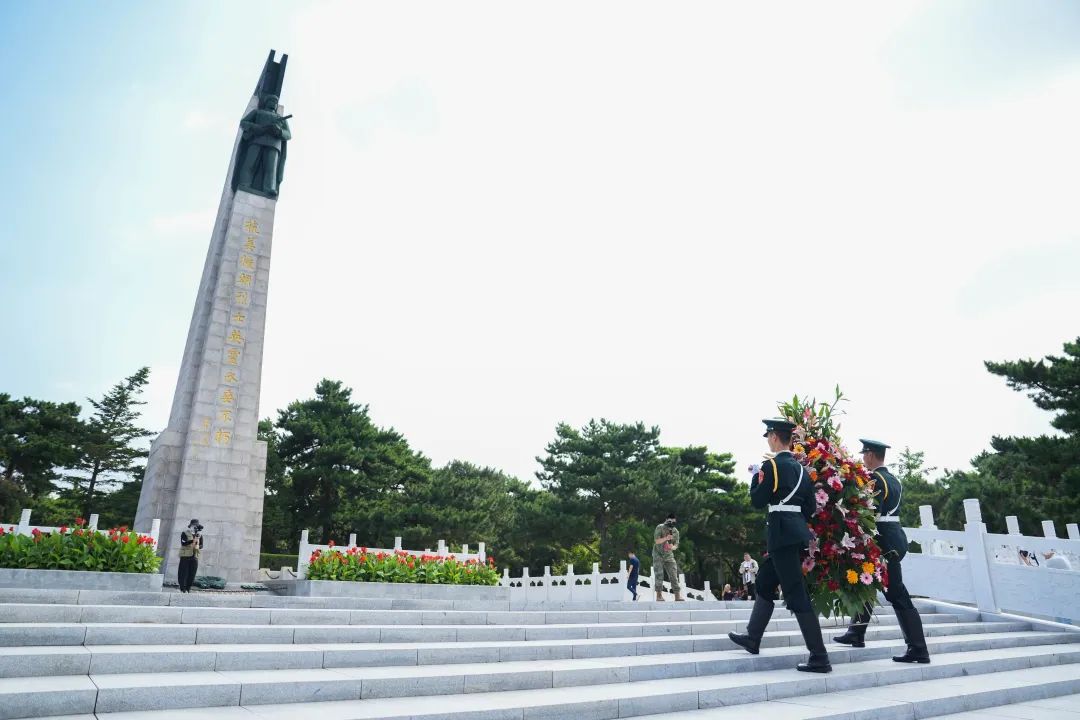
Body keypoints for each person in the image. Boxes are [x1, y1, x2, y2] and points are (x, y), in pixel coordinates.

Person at [728, 418, 831, 673]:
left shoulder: (771, 466)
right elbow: (809, 507)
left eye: (768, 436)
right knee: (763, 583)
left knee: (796, 595)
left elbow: (757, 500)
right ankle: (753, 638)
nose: (768, 441)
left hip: (781, 534)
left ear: (775, 437)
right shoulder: (801, 471)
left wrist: (755, 479)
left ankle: (819, 656)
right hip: (793, 534)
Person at [833, 439, 930, 664]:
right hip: (894, 534)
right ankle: (856, 632)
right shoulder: (894, 479)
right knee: (867, 583)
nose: (863, 458)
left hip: (883, 539)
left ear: (870, 455)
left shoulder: (875, 479)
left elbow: (869, 508)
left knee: (896, 593)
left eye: (865, 454)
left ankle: (918, 648)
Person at [653, 512, 683, 601]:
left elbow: (676, 545)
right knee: (659, 574)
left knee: (674, 575)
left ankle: (677, 596)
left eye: (673, 522)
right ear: (666, 520)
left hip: (669, 555)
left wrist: (672, 547)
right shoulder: (660, 527)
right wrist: (666, 538)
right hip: (658, 554)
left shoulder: (675, 531)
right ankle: (659, 595)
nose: (671, 524)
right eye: (670, 522)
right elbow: (657, 541)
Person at [177, 519, 204, 593]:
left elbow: (202, 545)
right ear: (191, 526)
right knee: (183, 572)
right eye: (194, 525)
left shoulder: (199, 535)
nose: (195, 527)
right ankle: (182, 588)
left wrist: (198, 546)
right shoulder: (184, 533)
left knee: (192, 573)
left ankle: (188, 588)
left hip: (194, 555)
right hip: (185, 555)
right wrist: (193, 541)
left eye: (196, 526)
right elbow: (184, 543)